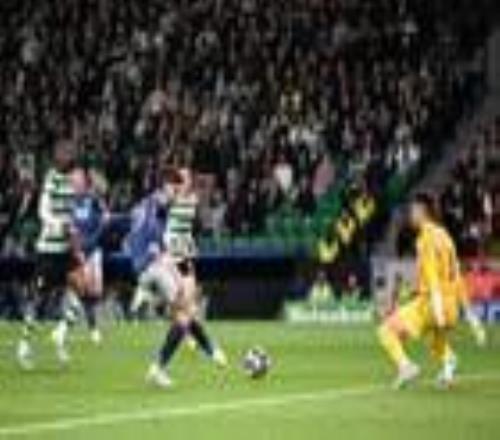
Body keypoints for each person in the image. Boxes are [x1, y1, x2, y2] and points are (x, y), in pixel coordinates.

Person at [142, 167, 227, 389]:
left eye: (185, 178)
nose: (181, 182)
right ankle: (160, 366)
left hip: (184, 258)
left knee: (187, 314)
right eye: (179, 179)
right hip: (171, 260)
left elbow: (199, 200)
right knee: (184, 315)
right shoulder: (170, 198)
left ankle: (208, 349)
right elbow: (158, 212)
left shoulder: (190, 199)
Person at [377, 192, 464, 389]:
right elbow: (454, 271)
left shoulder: (425, 238)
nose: (411, 215)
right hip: (451, 301)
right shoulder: (445, 236)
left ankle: (406, 367)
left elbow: (432, 279)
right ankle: (448, 367)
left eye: (413, 211)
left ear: (421, 211)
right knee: (435, 342)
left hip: (432, 303)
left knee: (386, 330)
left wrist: (438, 311)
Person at [17, 140, 77, 368]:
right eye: (65, 153)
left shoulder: (70, 181)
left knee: (82, 290)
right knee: (39, 298)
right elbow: (43, 210)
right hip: (48, 250)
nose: (69, 156)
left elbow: (71, 211)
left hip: (66, 250)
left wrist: (73, 228)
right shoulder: (52, 179)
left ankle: (60, 335)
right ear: (57, 156)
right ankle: (24, 344)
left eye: (70, 153)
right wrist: (58, 224)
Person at [68, 168, 107, 345]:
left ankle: (67, 322)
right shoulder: (69, 202)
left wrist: (103, 218)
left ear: (84, 182)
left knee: (96, 292)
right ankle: (92, 329)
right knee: (84, 289)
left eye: (79, 180)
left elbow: (104, 215)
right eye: (74, 181)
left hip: (94, 249)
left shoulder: (93, 199)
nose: (77, 184)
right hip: (77, 251)